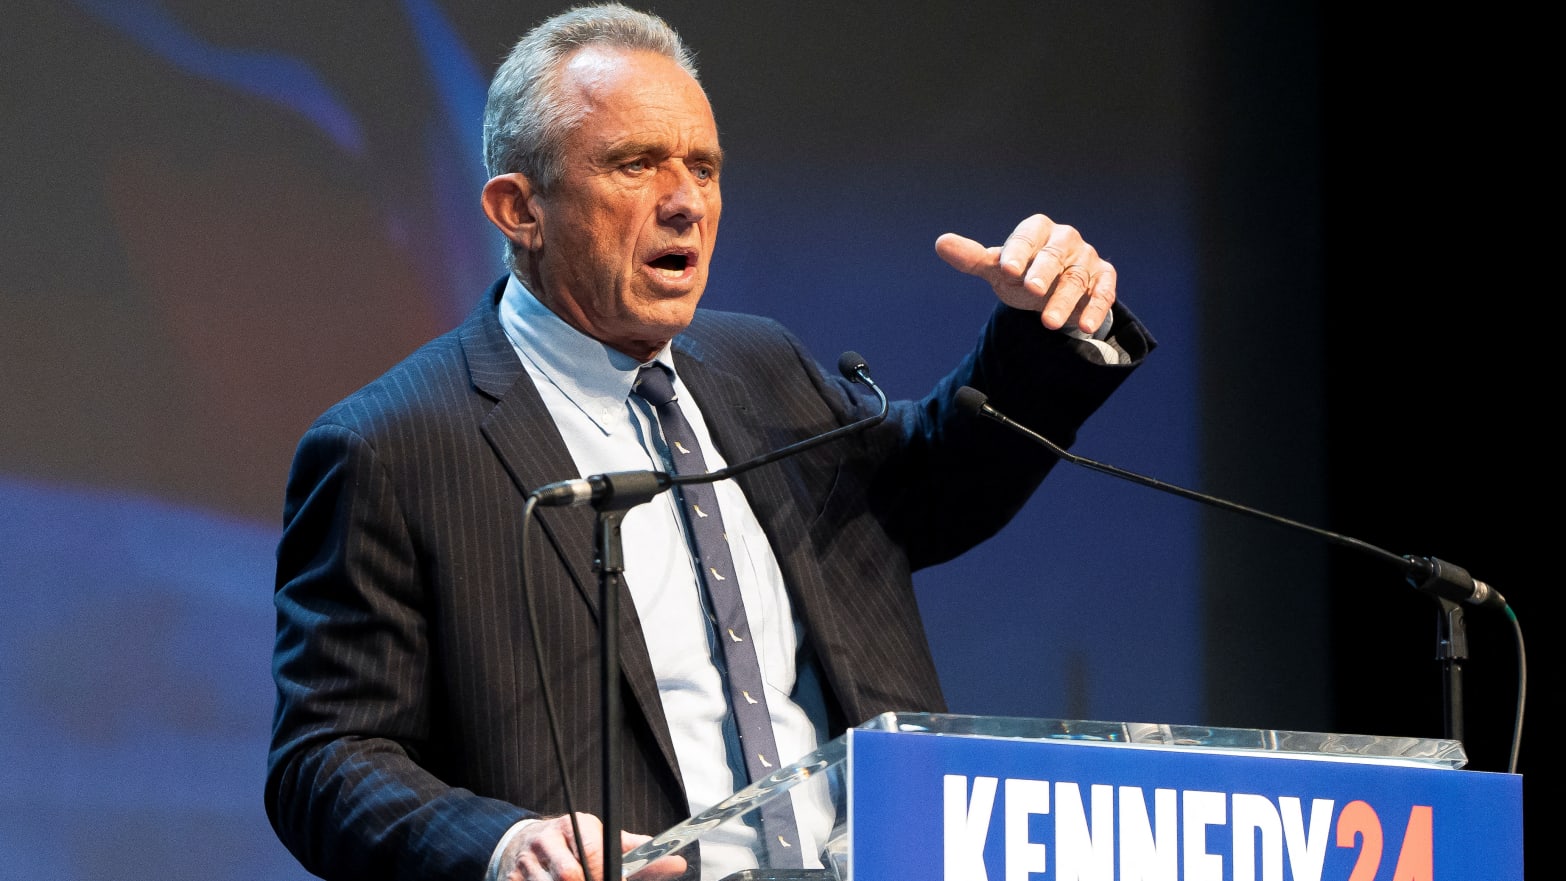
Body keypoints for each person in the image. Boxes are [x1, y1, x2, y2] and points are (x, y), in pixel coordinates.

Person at [265, 4, 1155, 881]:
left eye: (703, 166)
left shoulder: (759, 365)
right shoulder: (391, 446)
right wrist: (501, 846)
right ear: (518, 209)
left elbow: (931, 488)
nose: (686, 201)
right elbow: (327, 755)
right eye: (635, 164)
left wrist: (1044, 331)